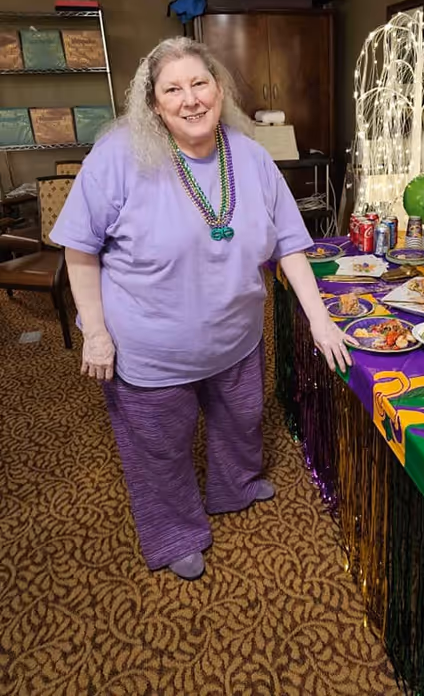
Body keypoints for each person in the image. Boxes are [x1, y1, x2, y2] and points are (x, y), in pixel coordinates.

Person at [50, 37, 351, 580]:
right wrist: (93, 330)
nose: (190, 99)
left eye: (200, 83)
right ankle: (174, 533)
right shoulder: (117, 158)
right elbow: (80, 249)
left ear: (219, 89)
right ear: (153, 103)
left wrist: (319, 318)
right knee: (160, 449)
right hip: (151, 349)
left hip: (237, 337)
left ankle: (235, 487)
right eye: (173, 89)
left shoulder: (253, 155)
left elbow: (290, 244)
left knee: (241, 421)